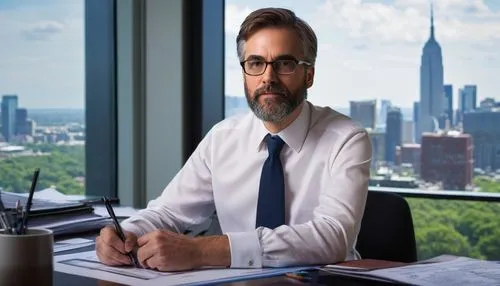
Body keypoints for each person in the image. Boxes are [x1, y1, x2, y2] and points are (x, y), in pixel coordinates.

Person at [96, 7, 372, 271]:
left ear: (308, 74)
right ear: (244, 73)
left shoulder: (346, 139)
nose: (268, 77)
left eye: (284, 64)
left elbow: (333, 237)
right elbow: (169, 212)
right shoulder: (222, 138)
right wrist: (127, 233)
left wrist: (201, 251)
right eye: (255, 63)